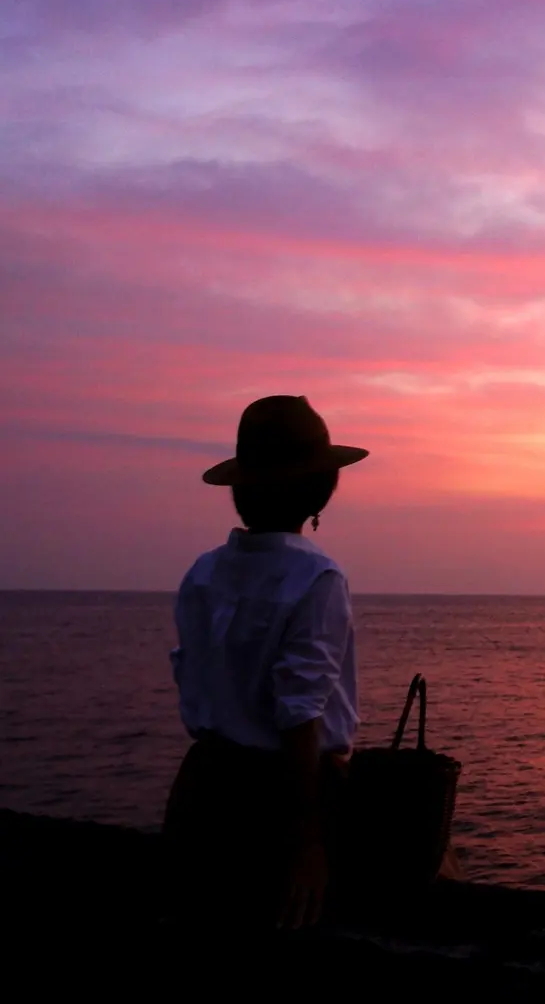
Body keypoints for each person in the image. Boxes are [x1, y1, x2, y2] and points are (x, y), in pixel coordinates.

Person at [162, 395, 368, 931]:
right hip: (281, 801)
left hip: (202, 792)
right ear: (320, 490)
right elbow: (300, 714)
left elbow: (195, 677)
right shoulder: (316, 576)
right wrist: (308, 842)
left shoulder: (203, 573)